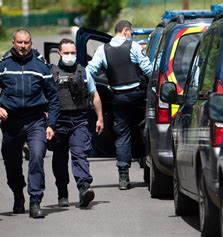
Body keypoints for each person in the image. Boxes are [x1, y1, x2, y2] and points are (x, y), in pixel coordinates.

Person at [0, 28, 60, 218]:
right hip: (11, 122)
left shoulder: (41, 67)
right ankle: (18, 195)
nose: (23, 46)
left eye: (26, 42)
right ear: (13, 42)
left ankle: (35, 201)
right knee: (12, 163)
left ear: (31, 43)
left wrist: (51, 124)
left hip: (35, 120)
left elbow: (54, 98)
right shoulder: (3, 66)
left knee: (36, 156)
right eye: (19, 42)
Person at [86, 20, 152, 190]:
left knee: (122, 134)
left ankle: (123, 176)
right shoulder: (134, 46)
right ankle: (149, 168)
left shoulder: (102, 49)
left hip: (119, 98)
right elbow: (149, 71)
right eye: (131, 32)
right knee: (147, 129)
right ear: (125, 31)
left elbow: (88, 71)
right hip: (138, 96)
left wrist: (93, 91)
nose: (131, 35)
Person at [50, 38, 104, 207]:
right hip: (58, 122)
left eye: (73, 53)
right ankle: (62, 193)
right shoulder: (50, 73)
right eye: (66, 53)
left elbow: (94, 95)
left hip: (79, 120)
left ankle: (84, 188)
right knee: (59, 159)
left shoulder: (84, 72)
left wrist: (100, 117)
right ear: (59, 53)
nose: (70, 56)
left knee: (79, 153)